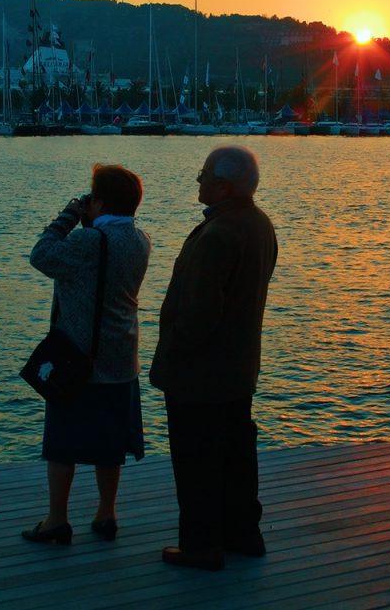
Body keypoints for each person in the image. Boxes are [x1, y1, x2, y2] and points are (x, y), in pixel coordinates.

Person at [150, 145, 278, 571]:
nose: (198, 180)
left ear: (222, 185)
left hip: (200, 375)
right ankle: (244, 534)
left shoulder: (219, 235)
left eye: (203, 174)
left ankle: (201, 545)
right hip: (239, 368)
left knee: (197, 461)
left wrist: (174, 351)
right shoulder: (259, 225)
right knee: (236, 455)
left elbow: (200, 315)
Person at [21, 164, 151, 545]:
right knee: (110, 446)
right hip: (122, 357)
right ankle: (106, 513)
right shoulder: (141, 239)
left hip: (79, 359)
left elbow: (41, 254)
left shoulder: (87, 243)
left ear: (99, 201)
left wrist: (68, 215)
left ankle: (56, 520)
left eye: (89, 197)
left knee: (63, 443)